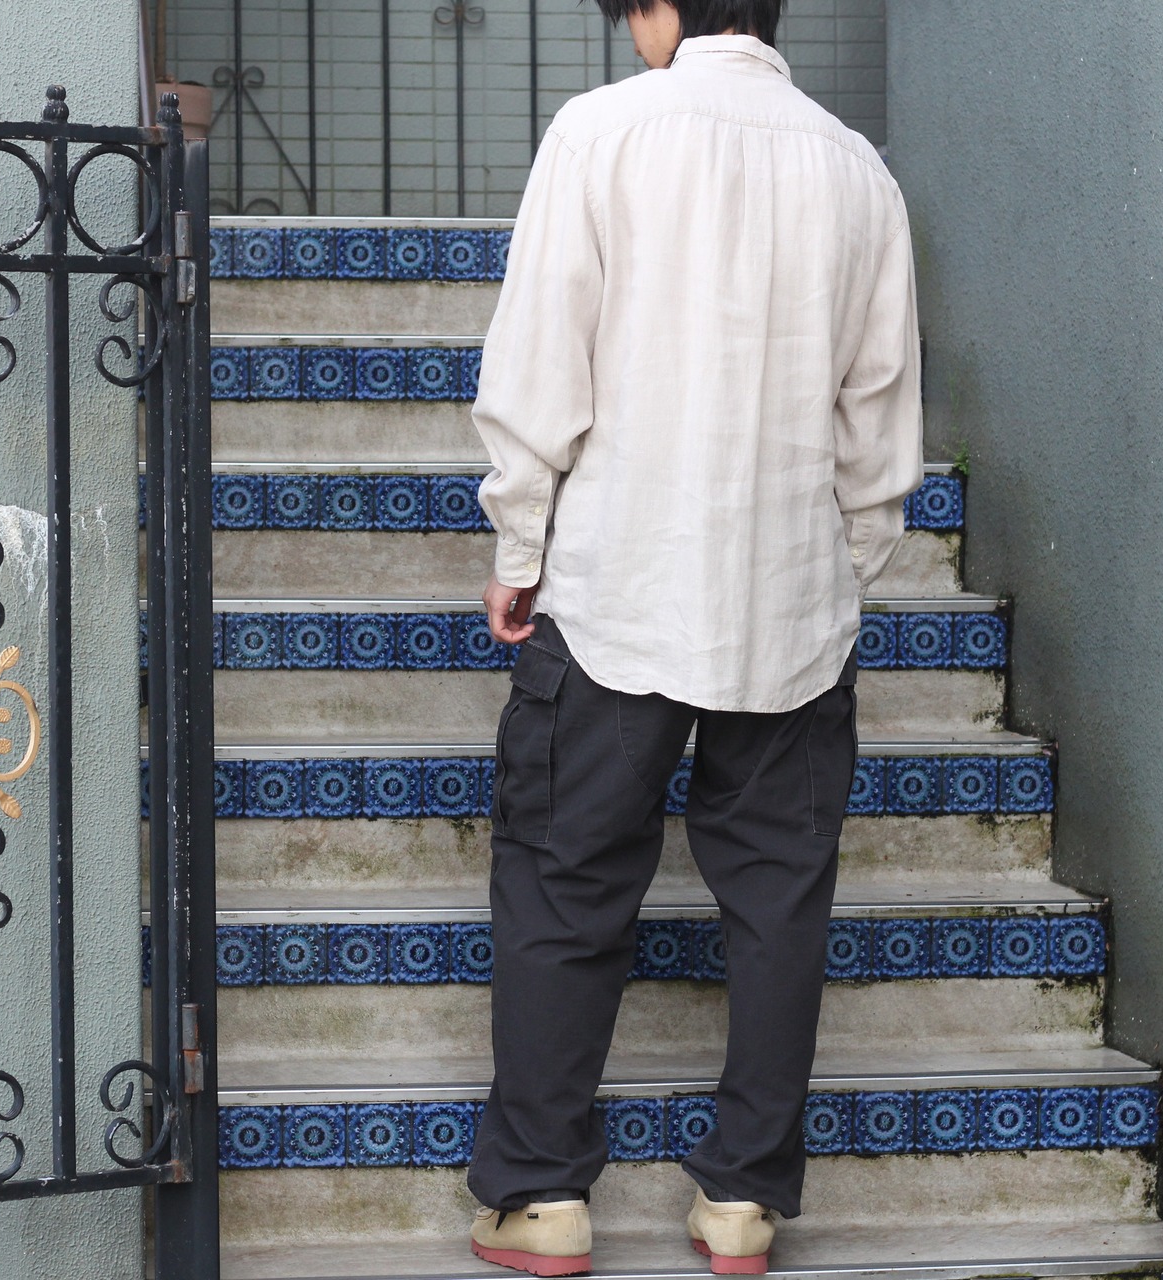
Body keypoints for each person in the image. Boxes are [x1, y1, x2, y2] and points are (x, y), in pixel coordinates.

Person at [465, 0, 923, 1271]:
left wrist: (518, 545)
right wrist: (835, 572)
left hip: (619, 587)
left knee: (563, 884)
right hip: (791, 607)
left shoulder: (600, 132)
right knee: (778, 902)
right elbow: (878, 413)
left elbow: (539, 365)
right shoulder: (855, 167)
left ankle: (541, 1196)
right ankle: (742, 1202)